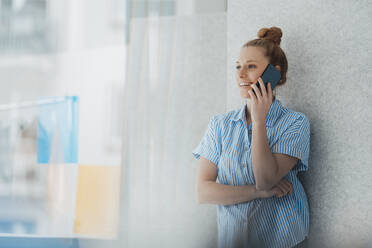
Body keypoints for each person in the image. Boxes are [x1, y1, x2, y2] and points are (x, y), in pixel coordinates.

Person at [192, 27, 310, 248]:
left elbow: (267, 179)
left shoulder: (295, 123)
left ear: (273, 74)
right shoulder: (220, 125)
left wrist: (258, 121)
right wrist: (257, 192)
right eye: (238, 66)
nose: (240, 74)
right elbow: (203, 191)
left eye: (251, 66)